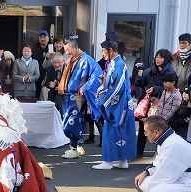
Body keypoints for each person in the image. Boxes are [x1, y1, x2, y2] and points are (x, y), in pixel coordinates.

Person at [135, 114, 191, 192]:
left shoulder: (172, 145)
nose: (145, 134)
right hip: (182, 179)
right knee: (143, 181)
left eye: (146, 132)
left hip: (187, 183)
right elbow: (158, 164)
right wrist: (145, 172)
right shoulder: (167, 139)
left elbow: (163, 176)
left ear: (156, 132)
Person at [92, 33, 137, 170]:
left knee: (110, 130)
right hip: (120, 103)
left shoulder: (118, 64)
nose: (103, 54)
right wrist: (101, 90)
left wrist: (103, 98)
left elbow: (118, 87)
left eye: (103, 51)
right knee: (121, 131)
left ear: (110, 50)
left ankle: (108, 162)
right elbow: (110, 84)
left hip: (119, 103)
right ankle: (123, 161)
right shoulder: (114, 63)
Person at [57, 34, 102, 159]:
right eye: (65, 51)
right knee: (70, 121)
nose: (67, 53)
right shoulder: (70, 60)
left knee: (72, 122)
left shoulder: (86, 60)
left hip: (77, 96)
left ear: (75, 47)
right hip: (68, 95)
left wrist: (85, 87)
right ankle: (77, 146)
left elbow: (96, 75)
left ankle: (75, 147)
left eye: (68, 50)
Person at [135, 48, 175, 157]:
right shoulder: (149, 71)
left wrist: (155, 89)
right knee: (143, 126)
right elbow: (140, 83)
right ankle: (139, 151)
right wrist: (139, 75)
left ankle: (159, 153)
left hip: (162, 103)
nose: (158, 59)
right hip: (148, 103)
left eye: (161, 57)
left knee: (159, 127)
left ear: (165, 59)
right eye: (157, 57)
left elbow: (169, 87)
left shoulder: (170, 71)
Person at [32, 30, 50, 99]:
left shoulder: (52, 48)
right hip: (37, 76)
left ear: (48, 38)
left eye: (44, 37)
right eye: (41, 37)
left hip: (48, 77)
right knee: (36, 95)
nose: (43, 39)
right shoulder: (34, 49)